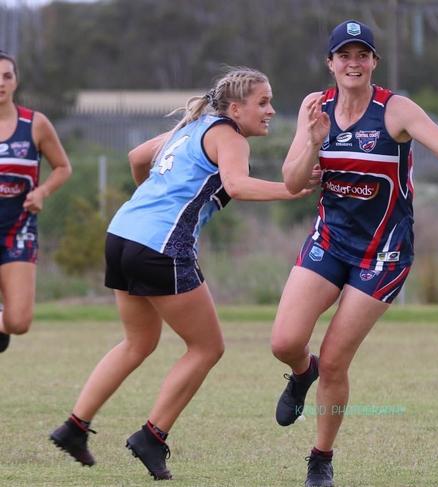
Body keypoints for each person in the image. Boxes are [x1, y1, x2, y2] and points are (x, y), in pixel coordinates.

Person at [50, 66, 315, 481]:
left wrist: (152, 197)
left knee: (137, 343)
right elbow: (239, 185)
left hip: (122, 234)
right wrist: (291, 188)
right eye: (262, 102)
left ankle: (73, 427)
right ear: (235, 107)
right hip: (159, 247)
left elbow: (137, 158)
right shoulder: (228, 135)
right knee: (206, 348)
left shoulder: (192, 126)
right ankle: (151, 437)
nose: (270, 110)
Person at [270, 20, 438, 487]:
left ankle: (321, 459)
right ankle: (299, 373)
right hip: (330, 241)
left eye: (362, 55)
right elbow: (292, 182)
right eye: (344, 55)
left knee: (335, 360)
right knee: (284, 343)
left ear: (374, 61)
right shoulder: (315, 108)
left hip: (383, 254)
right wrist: (313, 140)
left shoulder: (396, 110)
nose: (354, 63)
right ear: (330, 63)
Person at [0, 51, 72, 353]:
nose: (0, 83)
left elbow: (63, 167)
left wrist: (42, 192)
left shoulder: (35, 124)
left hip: (18, 229)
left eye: (7, 76)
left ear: (16, 81)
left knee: (18, 322)